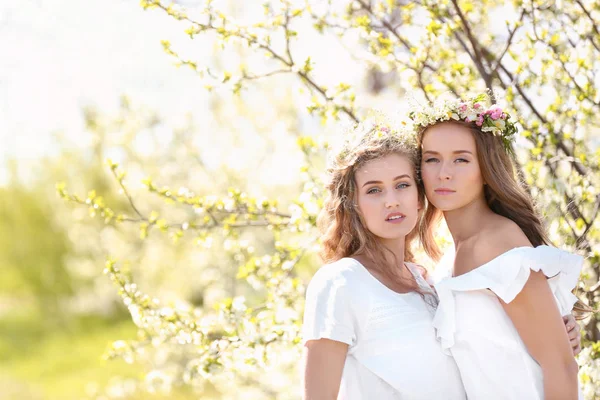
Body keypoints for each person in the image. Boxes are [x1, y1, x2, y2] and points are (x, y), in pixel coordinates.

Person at [412, 93, 585, 400]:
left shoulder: (497, 243)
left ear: (486, 170)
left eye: (461, 159)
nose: (444, 173)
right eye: (432, 158)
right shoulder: (449, 259)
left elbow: (561, 368)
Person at [301, 118, 467, 399]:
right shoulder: (340, 283)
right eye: (374, 190)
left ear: (418, 197)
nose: (391, 200)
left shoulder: (428, 281)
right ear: (353, 206)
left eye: (402, 185)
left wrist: (559, 330)